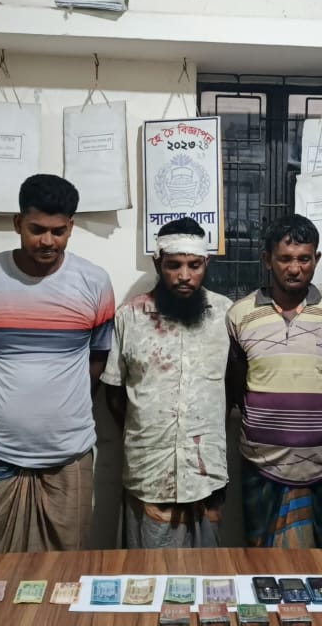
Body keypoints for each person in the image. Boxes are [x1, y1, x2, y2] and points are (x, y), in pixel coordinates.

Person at [0, 174, 115, 553]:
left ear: (71, 227)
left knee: (64, 572)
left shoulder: (94, 282)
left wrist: (62, 408)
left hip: (69, 450)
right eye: (37, 229)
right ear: (18, 223)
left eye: (58, 231)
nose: (48, 241)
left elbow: (97, 358)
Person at [102, 217, 233, 548]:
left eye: (194, 265)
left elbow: (234, 384)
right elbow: (115, 393)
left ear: (207, 263)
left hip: (206, 470)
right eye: (174, 265)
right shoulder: (130, 316)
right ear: (158, 263)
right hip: (149, 469)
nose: (184, 276)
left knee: (208, 570)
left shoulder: (225, 315)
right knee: (149, 568)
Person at [227, 214, 322, 548]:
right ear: (267, 260)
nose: (295, 268)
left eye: (304, 259)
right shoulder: (240, 314)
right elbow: (236, 383)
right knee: (264, 563)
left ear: (316, 259)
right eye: (285, 259)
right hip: (261, 462)